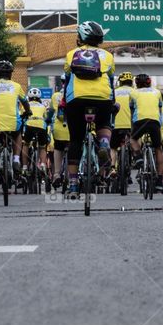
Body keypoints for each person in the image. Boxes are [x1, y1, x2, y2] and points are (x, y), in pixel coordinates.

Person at [62, 21, 115, 196]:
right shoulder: (107, 56)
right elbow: (110, 80)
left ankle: (73, 185)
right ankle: (104, 143)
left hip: (76, 100)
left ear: (81, 37)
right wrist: (111, 101)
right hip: (102, 99)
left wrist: (64, 103)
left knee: (76, 140)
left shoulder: (71, 54)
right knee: (104, 123)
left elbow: (67, 79)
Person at [0, 60, 27, 191]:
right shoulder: (16, 86)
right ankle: (15, 159)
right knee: (18, 134)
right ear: (10, 74)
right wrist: (28, 111)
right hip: (13, 123)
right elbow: (25, 102)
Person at [128, 73, 163, 192]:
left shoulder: (133, 93)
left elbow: (131, 110)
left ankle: (139, 158)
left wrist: (132, 127)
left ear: (136, 83)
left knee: (133, 139)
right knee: (158, 148)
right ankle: (159, 180)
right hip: (154, 121)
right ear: (150, 82)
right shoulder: (157, 92)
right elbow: (159, 109)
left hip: (140, 121)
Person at [22, 88, 50, 178]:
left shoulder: (25, 105)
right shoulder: (42, 106)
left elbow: (21, 116)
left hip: (29, 125)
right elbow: (46, 118)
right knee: (42, 146)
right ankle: (42, 164)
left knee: (25, 144)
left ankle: (25, 167)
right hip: (41, 127)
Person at [111, 72, 134, 177]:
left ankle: (112, 168)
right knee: (134, 144)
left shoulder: (114, 92)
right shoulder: (135, 92)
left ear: (120, 82)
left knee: (113, 148)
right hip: (131, 126)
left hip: (116, 125)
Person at [49, 75, 69, 187]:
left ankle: (56, 174)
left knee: (58, 148)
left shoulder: (55, 96)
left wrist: (47, 120)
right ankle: (72, 176)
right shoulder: (75, 94)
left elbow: (51, 113)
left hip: (58, 129)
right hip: (73, 129)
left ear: (62, 83)